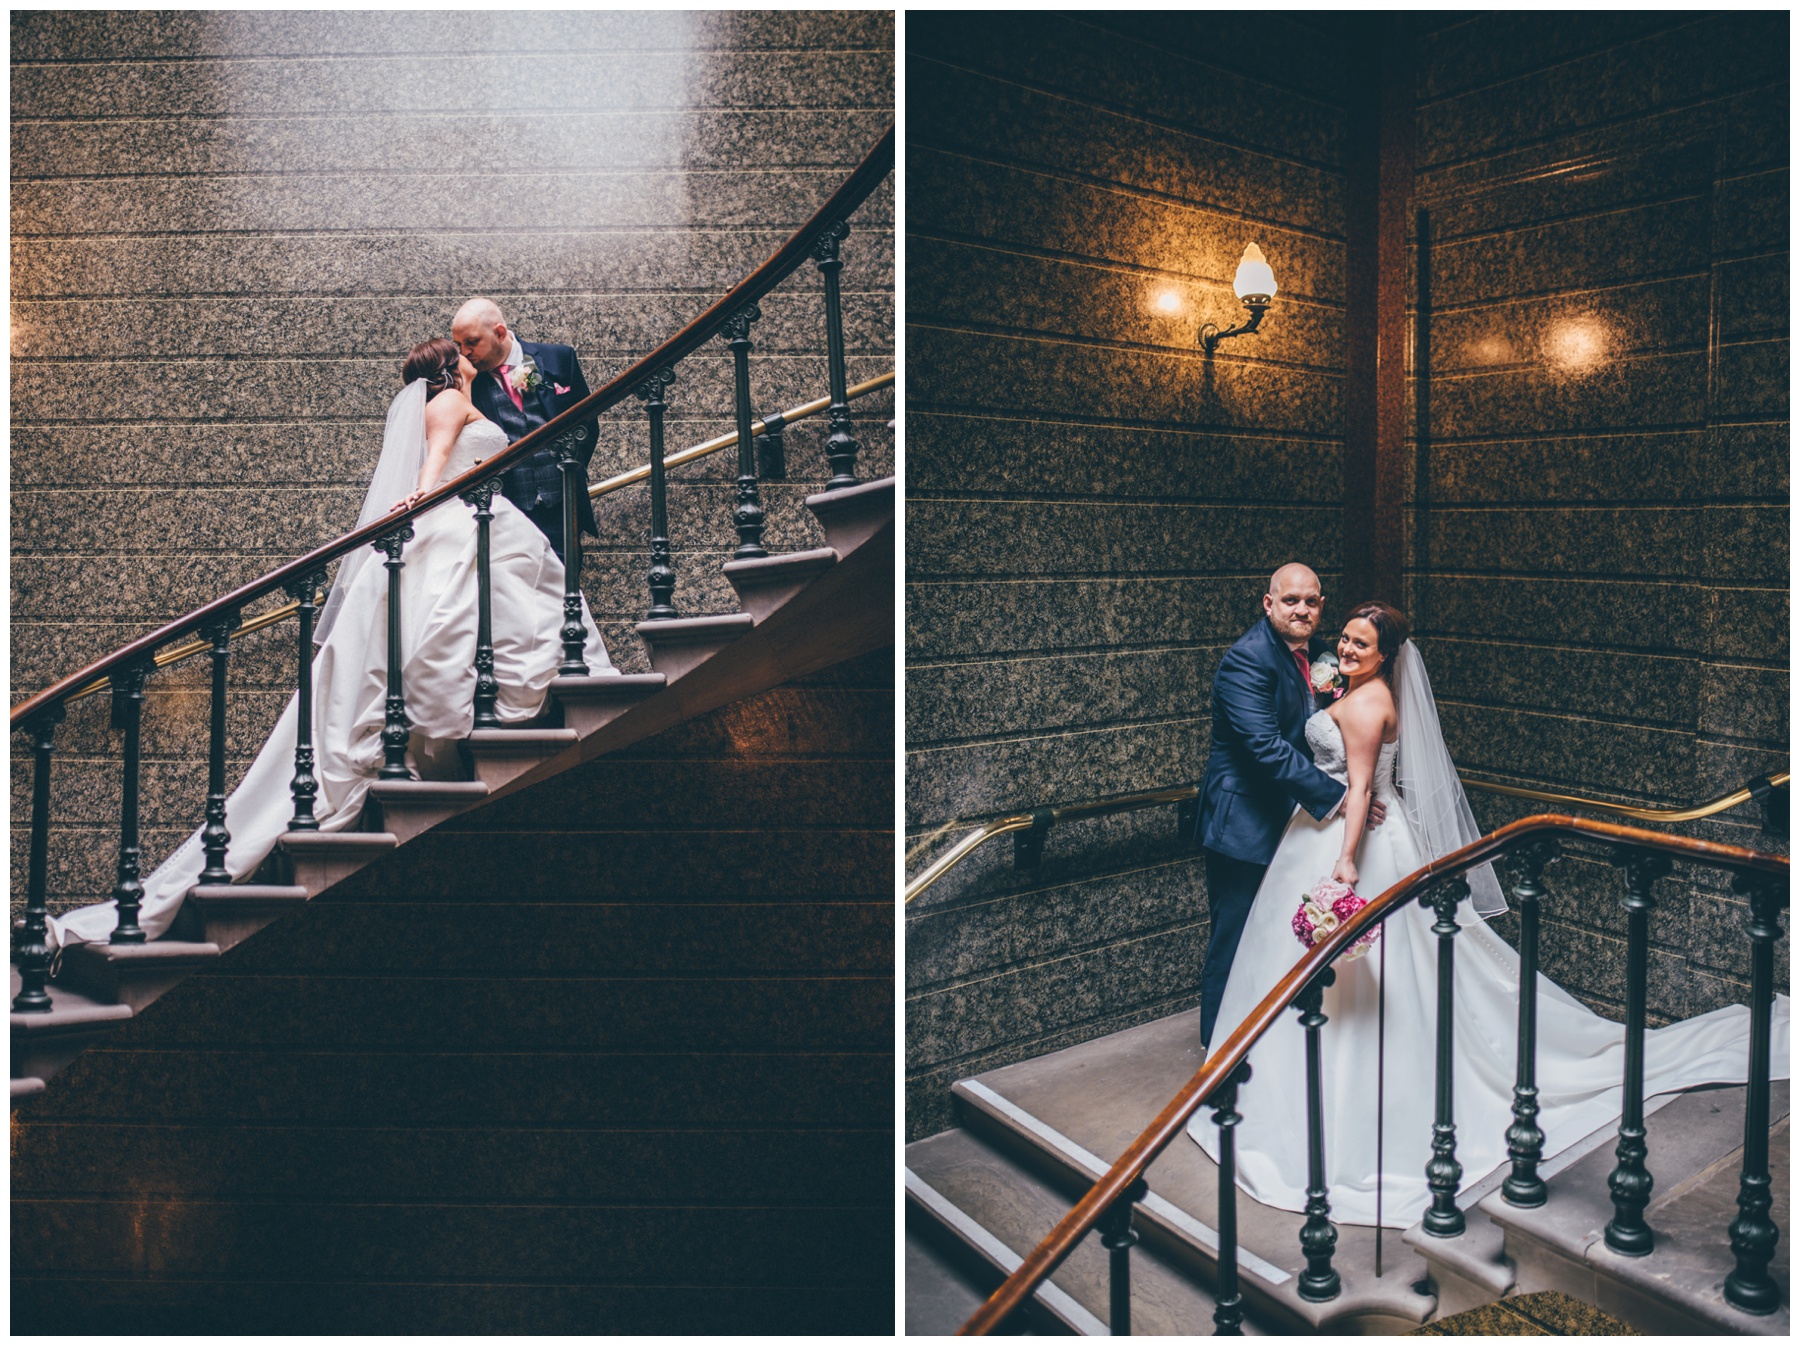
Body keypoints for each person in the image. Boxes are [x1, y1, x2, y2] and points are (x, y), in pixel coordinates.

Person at [1187, 601, 1791, 1227]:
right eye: (1343, 639)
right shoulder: (1356, 688)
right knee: (1315, 977)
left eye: (1359, 645)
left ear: (1386, 656)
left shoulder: (1367, 704)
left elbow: (1362, 788)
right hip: (1322, 831)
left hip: (1351, 843)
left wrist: (1344, 868)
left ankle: (1334, 1118)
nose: (1343, 651)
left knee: (1371, 983)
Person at [50, 340, 613, 952]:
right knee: (454, 623)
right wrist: (422, 500)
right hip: (458, 517)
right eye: (464, 350)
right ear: (452, 366)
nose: (473, 357)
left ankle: (445, 718)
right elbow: (440, 460)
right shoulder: (450, 401)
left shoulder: (452, 397)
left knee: (459, 622)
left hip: (479, 517)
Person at [1192, 563, 1385, 1054]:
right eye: (1291, 600)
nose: (1302, 610)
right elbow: (1266, 747)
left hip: (1298, 827)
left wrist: (1361, 785)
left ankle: (1270, 1049)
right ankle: (1217, 1055)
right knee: (1234, 943)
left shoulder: (1324, 656)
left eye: (1312, 602)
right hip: (1245, 826)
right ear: (1269, 603)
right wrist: (1340, 796)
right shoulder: (1246, 660)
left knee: (1275, 942)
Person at [451, 297, 595, 562]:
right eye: (459, 345)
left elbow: (588, 424)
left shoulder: (559, 358)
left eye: (471, 342)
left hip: (563, 506)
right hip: (508, 513)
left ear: (499, 333)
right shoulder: (468, 382)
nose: (465, 353)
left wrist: (568, 467)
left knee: (567, 589)